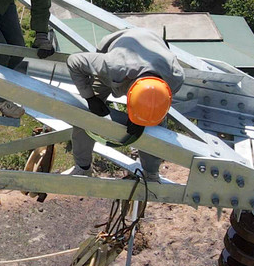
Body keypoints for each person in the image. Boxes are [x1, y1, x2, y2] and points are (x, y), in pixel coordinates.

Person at [62, 27, 185, 179]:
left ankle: (151, 173)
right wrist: (90, 98)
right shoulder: (112, 66)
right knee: (86, 117)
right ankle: (83, 167)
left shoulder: (175, 78)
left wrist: (143, 120)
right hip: (118, 48)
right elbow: (74, 61)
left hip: (153, 44)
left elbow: (154, 109)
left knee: (155, 130)